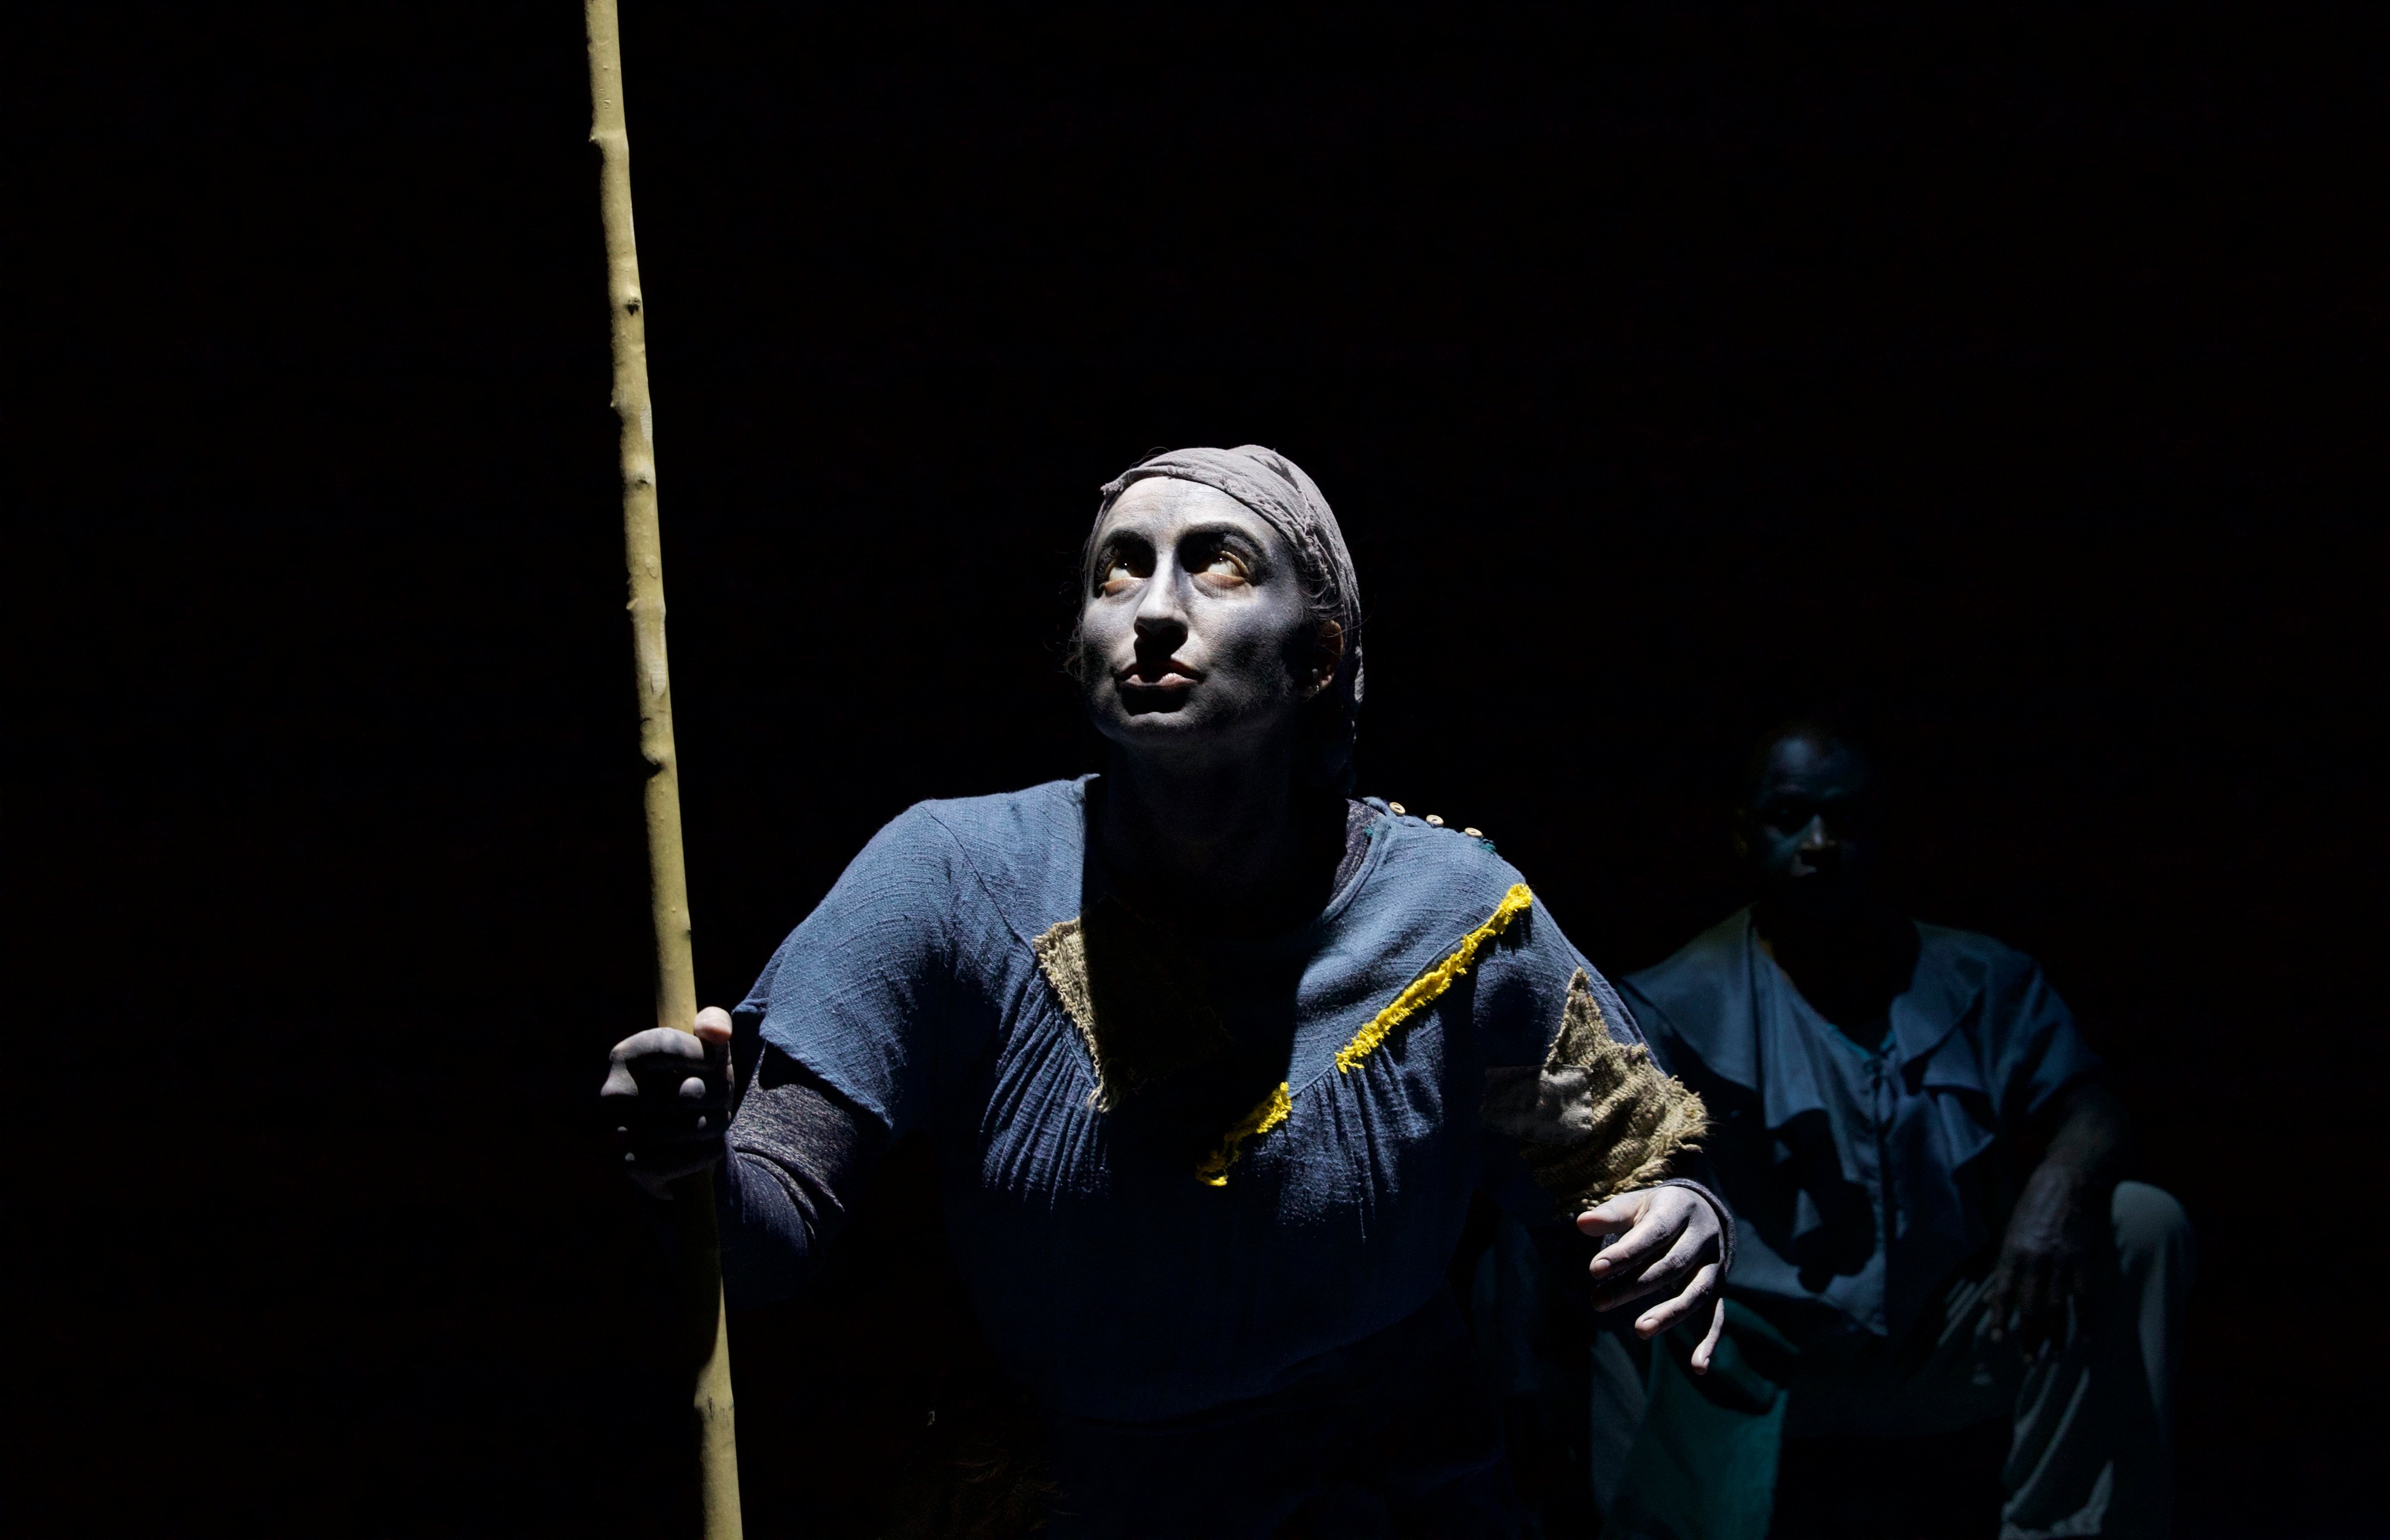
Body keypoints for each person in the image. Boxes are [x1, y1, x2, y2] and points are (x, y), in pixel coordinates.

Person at [600, 445, 1735, 1538]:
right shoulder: (953, 876)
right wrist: (687, 1168)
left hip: (1382, 1500)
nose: (1152, 607)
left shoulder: (1456, 917)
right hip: (1082, 1502)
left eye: (1220, 563)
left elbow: (1636, 1173)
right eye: (1118, 570)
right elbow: (767, 1231)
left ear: (1321, 658)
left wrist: (1682, 1221)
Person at [1602, 720, 2193, 1540]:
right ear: (1746, 833)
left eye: (1844, 820)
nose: (1819, 843)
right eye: (1791, 818)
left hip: (1944, 1337)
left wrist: (2056, 1186)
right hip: (1756, 1361)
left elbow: (2093, 1104)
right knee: (1592, 1273)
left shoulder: (1979, 978)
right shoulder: (1669, 1002)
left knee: (2141, 1224)